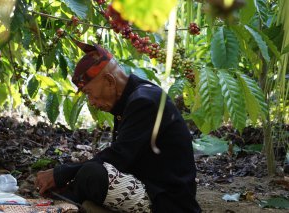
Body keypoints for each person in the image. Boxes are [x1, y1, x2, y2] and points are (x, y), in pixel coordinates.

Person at [35, 40, 201, 213]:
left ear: (109, 80)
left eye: (89, 94)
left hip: (168, 199)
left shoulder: (143, 101)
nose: (91, 102)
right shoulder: (129, 100)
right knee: (89, 176)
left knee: (92, 174)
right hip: (148, 183)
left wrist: (62, 174)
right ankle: (75, 200)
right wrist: (69, 181)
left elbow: (119, 157)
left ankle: (78, 201)